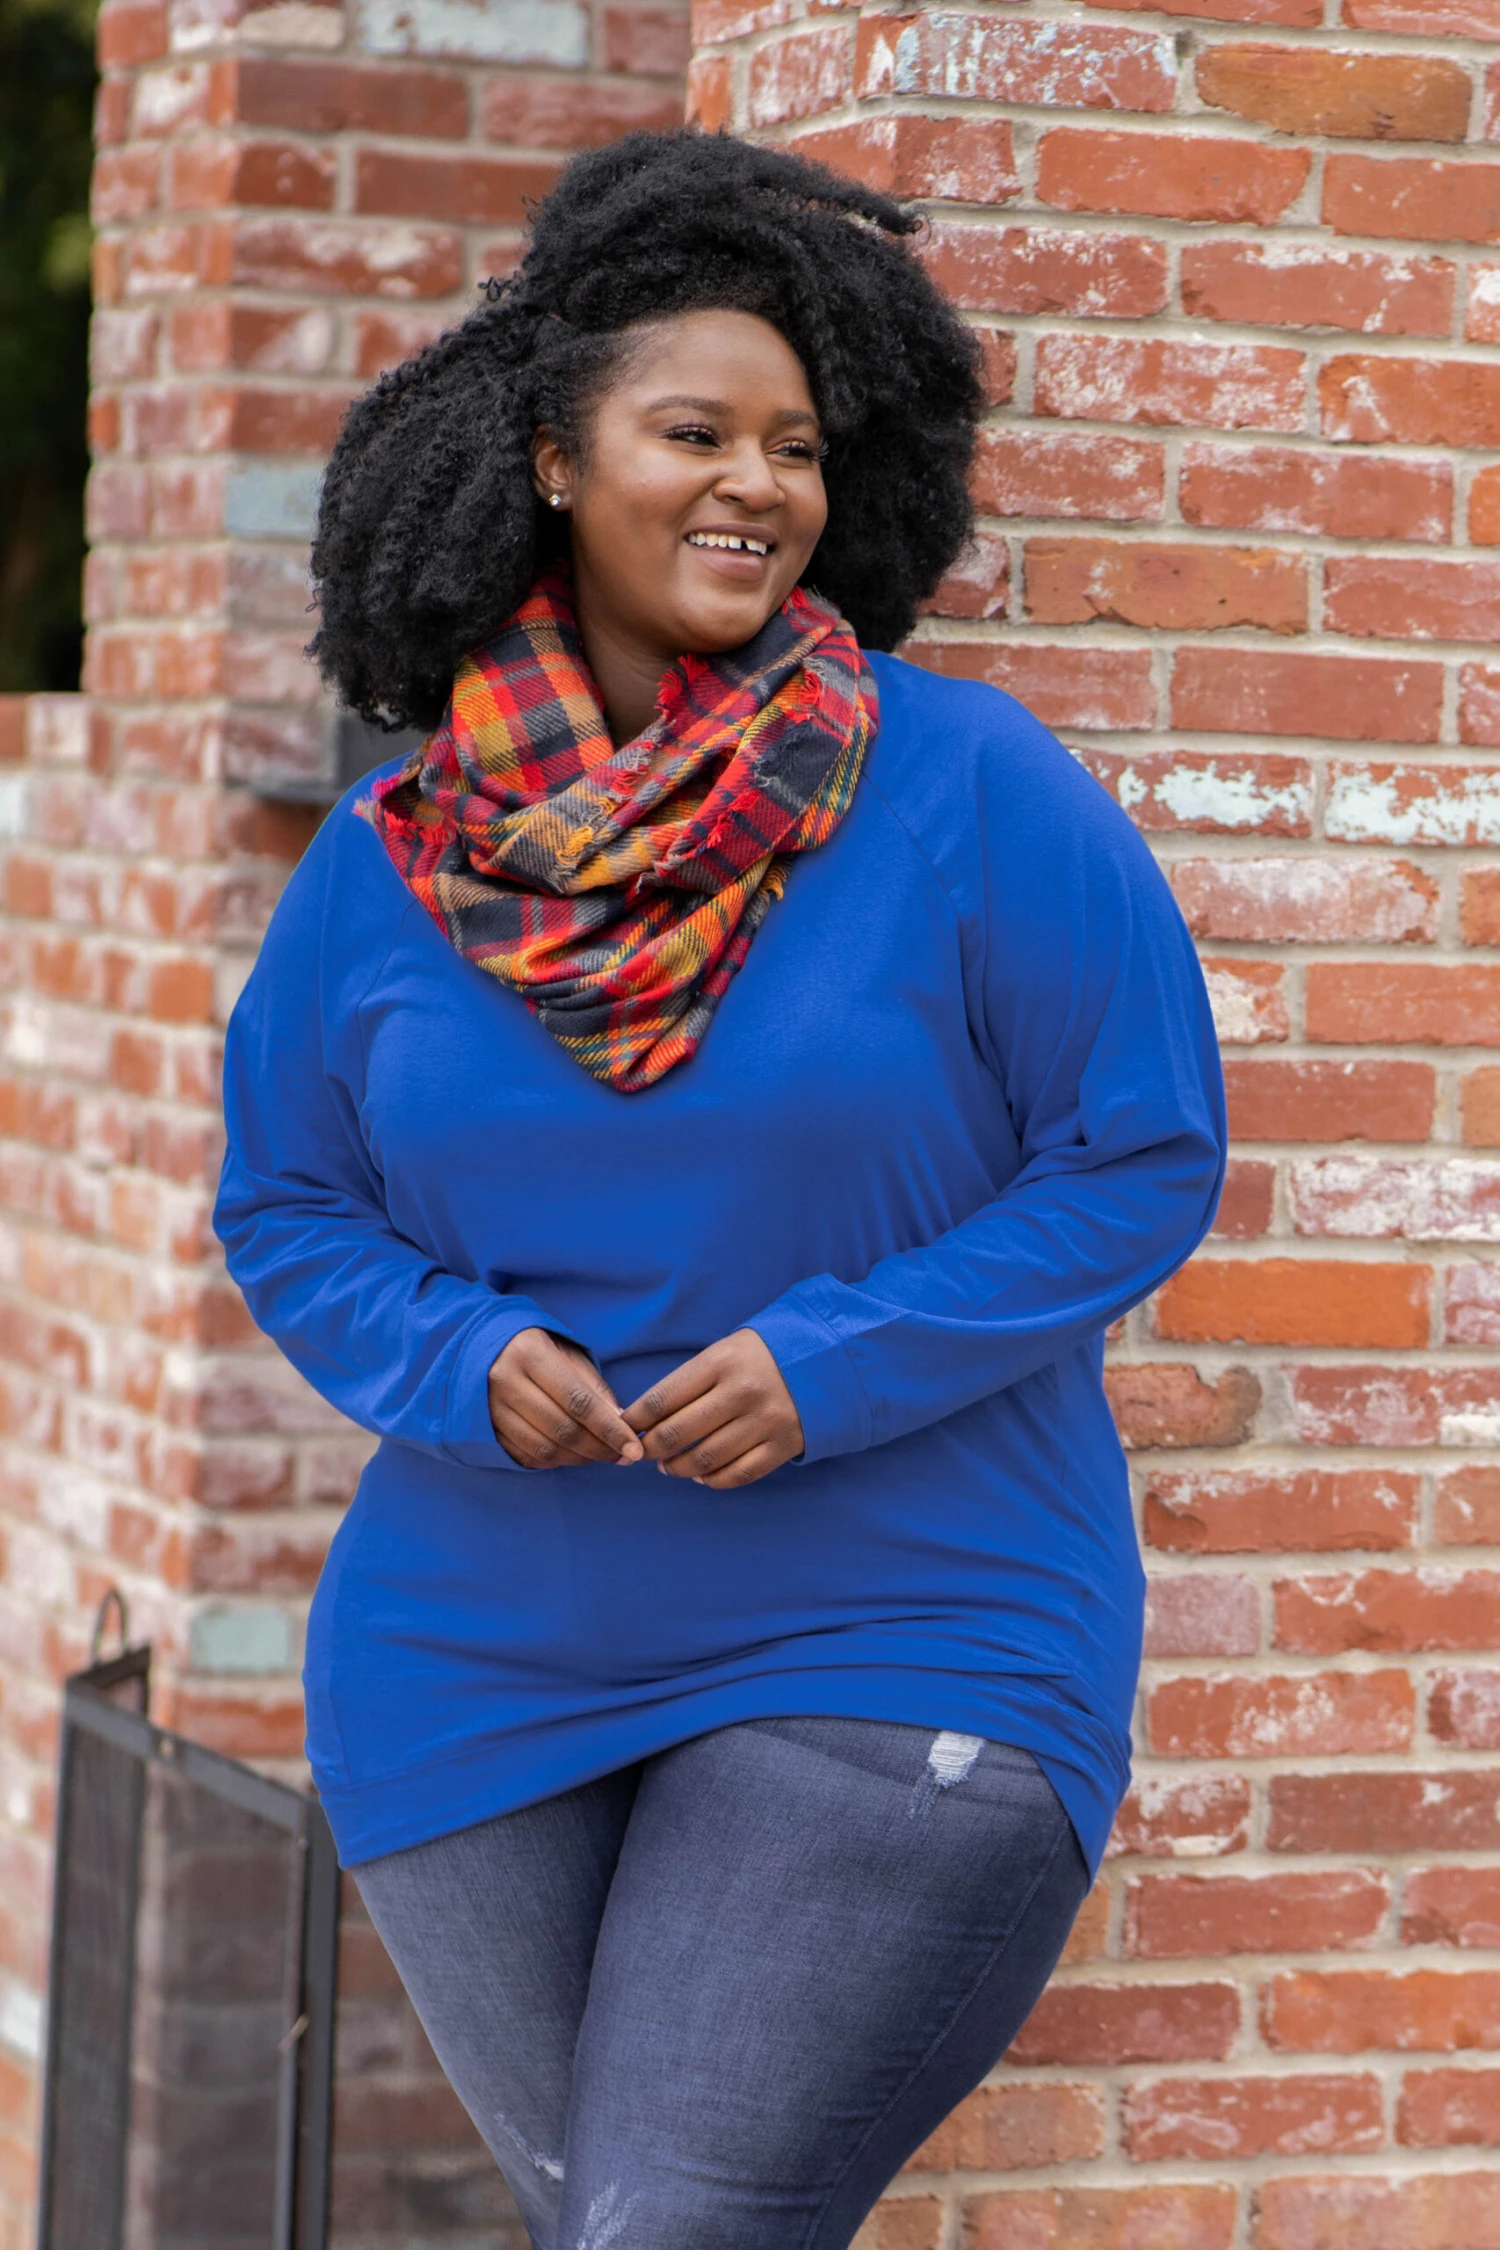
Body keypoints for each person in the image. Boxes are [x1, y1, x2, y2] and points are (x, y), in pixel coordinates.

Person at [214, 130, 1226, 2250]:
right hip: (475, 1661)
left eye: (797, 447)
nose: (758, 483)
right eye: (696, 433)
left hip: (909, 1622)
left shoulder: (970, 785)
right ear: (555, 460)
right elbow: (289, 1204)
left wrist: (838, 1359)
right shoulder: (388, 859)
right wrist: (457, 1355)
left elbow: (1139, 1151)